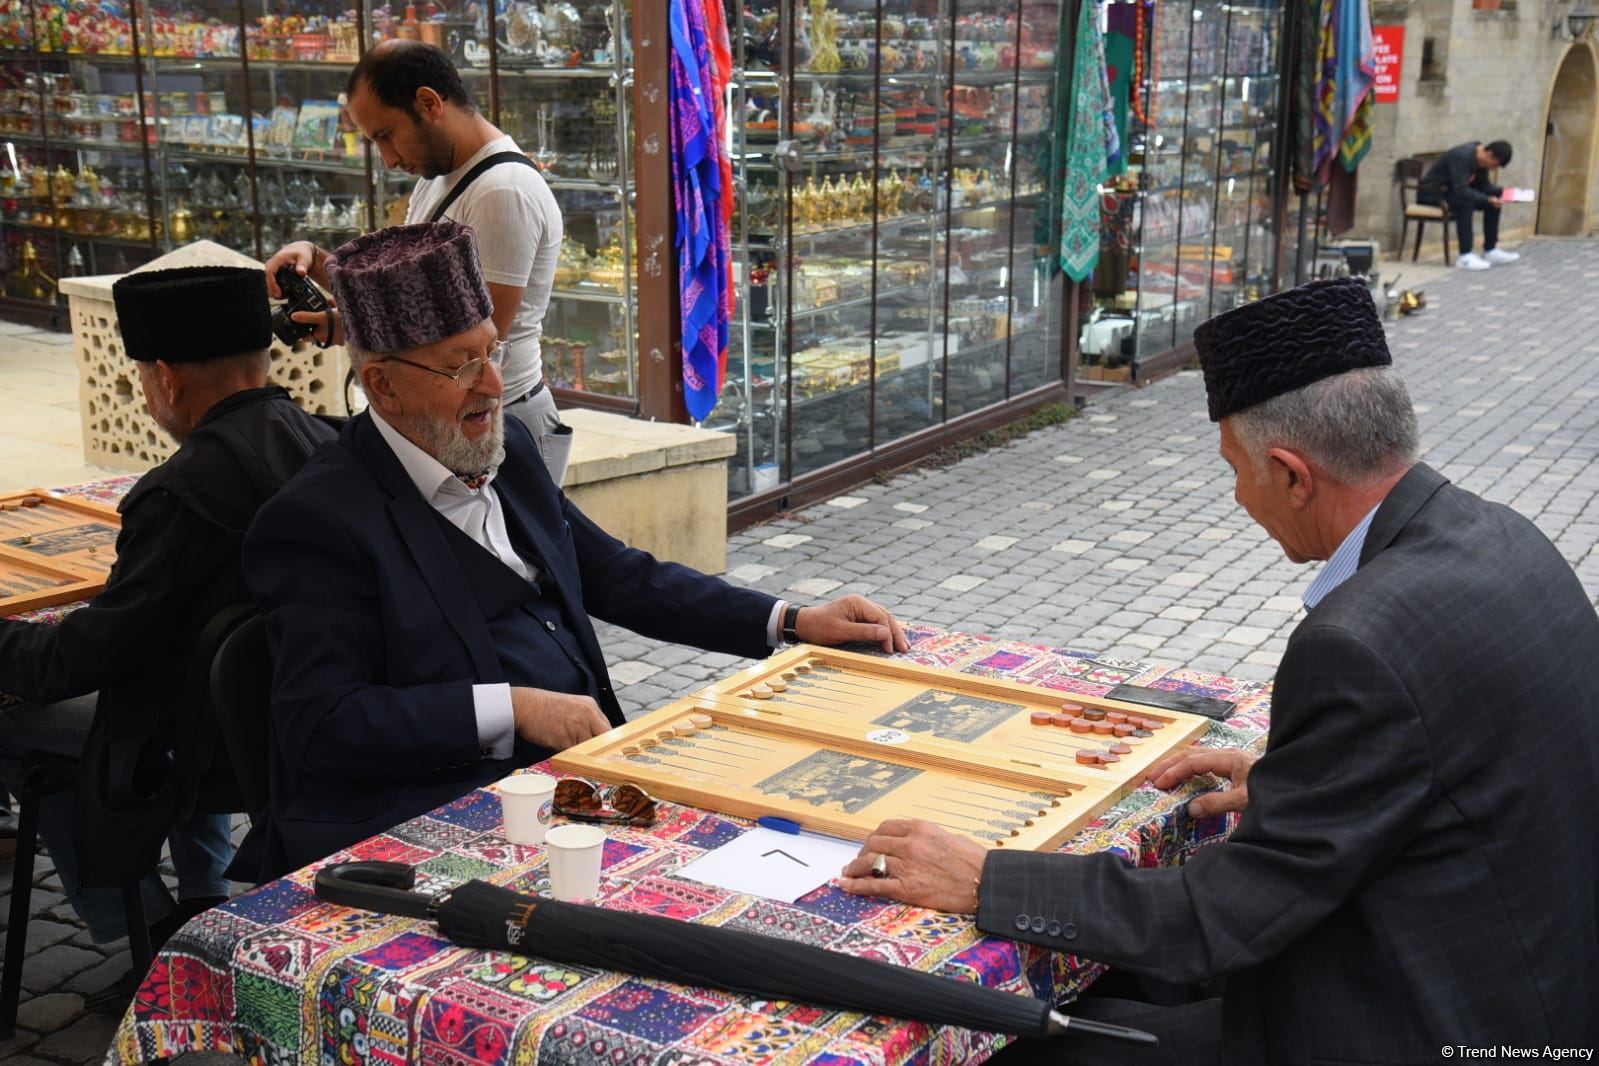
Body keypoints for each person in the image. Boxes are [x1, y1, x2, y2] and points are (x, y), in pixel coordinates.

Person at [838, 277, 1599, 1062]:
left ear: (1292, 474)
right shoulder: (1507, 536)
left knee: (1019, 1044)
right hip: (1529, 988)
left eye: (1236, 469)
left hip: (1417, 1027)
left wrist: (985, 879)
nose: (1236, 497)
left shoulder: (1357, 645)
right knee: (1113, 981)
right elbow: (1448, 764)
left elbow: (1225, 917)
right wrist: (1304, 779)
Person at [238, 222, 908, 881]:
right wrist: (514, 709)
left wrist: (790, 622)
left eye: (492, 352)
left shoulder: (509, 450)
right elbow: (321, 723)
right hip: (429, 819)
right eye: (460, 366)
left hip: (574, 790)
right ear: (382, 385)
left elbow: (615, 573)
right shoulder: (317, 520)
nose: (492, 385)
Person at [0, 267, 338, 963]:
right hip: (302, 710)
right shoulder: (328, 443)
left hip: (212, 742)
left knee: (11, 714)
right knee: (179, 670)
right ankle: (204, 891)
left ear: (166, 378)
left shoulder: (179, 493)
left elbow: (79, 661)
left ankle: (144, 927)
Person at [265, 40, 573, 482]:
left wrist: (345, 328)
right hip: (461, 421)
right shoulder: (441, 176)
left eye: (386, 135)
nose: (389, 159)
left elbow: (474, 345)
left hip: (499, 425)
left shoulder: (502, 192)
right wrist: (318, 264)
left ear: (429, 103)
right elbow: (408, 295)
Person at [1417, 139, 1519, 271]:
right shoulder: (1461, 156)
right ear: (1489, 154)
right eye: (1494, 165)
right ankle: (1465, 256)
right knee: (1466, 202)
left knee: (1493, 202)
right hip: (1432, 194)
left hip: (1451, 193)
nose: (1493, 169)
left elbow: (1484, 187)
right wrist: (1487, 199)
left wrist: (1507, 193)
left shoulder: (1481, 160)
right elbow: (1461, 189)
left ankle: (1490, 250)